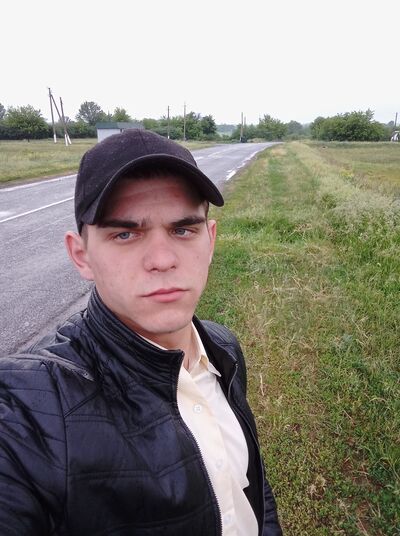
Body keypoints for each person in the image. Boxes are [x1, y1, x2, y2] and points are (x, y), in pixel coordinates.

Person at [0, 129, 282, 535]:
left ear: (210, 240)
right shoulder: (30, 409)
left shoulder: (223, 348)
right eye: (125, 234)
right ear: (81, 255)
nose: (162, 260)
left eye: (183, 230)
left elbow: (251, 490)